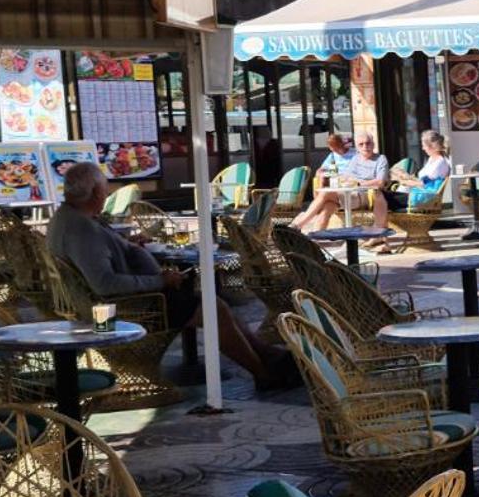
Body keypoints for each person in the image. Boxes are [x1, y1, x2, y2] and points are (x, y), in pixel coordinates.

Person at [49, 162, 294, 389]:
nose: (106, 195)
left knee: (213, 303)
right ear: (94, 193)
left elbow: (100, 256)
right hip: (131, 308)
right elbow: (105, 283)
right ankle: (263, 373)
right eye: (104, 190)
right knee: (212, 308)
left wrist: (127, 245)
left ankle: (267, 355)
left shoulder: (71, 217)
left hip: (139, 298)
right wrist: (160, 280)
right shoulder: (82, 230)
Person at [291, 131, 388, 232]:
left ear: (373, 144)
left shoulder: (380, 159)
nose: (365, 146)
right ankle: (316, 239)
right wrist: (343, 179)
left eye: (368, 143)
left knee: (325, 194)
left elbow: (380, 182)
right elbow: (346, 177)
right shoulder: (355, 159)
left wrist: (358, 183)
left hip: (366, 195)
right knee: (327, 208)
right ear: (358, 147)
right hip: (348, 194)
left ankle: (298, 225)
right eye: (361, 144)